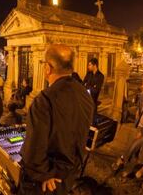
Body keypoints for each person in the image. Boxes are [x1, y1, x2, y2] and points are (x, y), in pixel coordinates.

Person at [19, 44, 94, 194]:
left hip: (46, 184)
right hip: (67, 177)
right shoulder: (85, 95)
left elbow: (34, 152)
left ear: (48, 68)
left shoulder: (44, 100)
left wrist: (46, 174)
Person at [112, 76, 143, 175]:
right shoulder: (142, 95)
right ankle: (129, 170)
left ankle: (122, 159)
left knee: (134, 145)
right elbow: (139, 106)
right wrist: (137, 113)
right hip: (140, 126)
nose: (142, 87)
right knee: (135, 150)